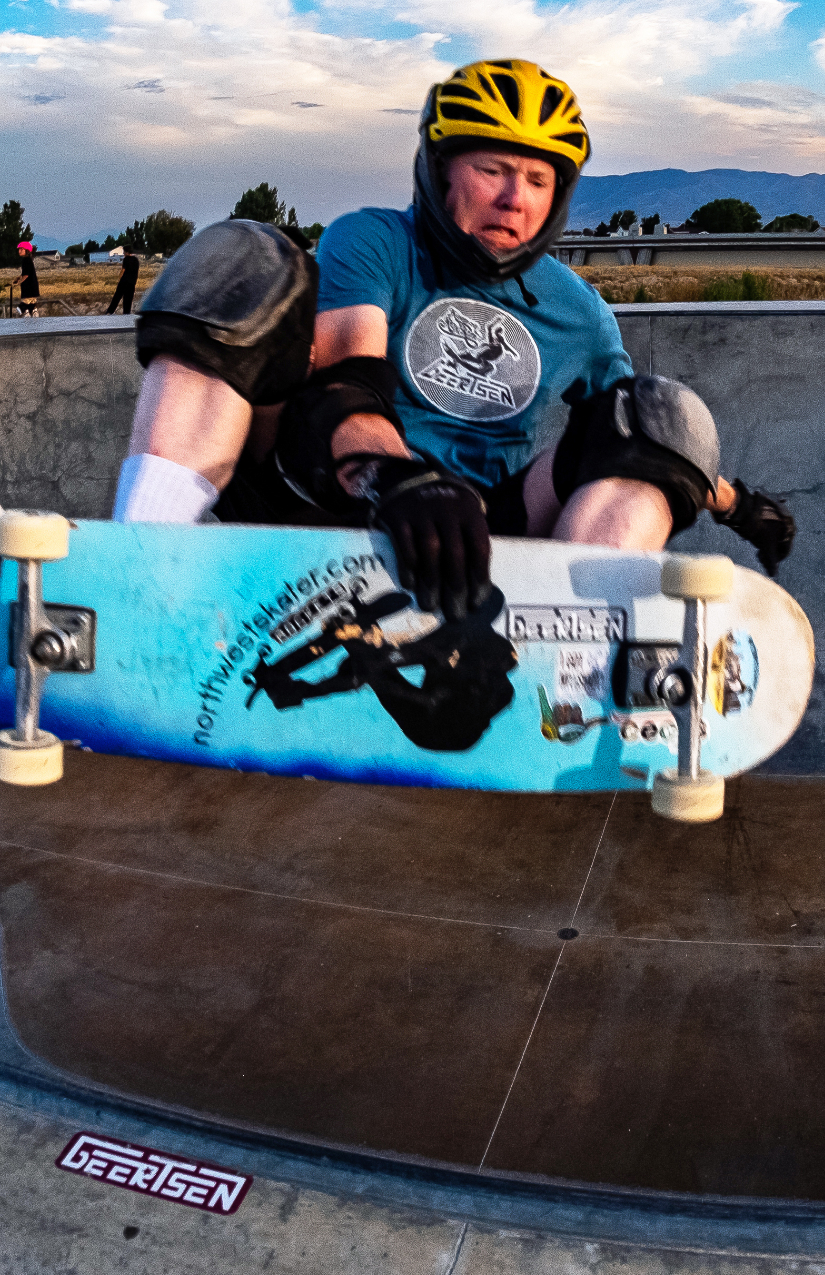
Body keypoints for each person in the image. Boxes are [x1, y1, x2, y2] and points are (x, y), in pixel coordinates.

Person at [115, 59, 794, 622]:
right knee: (242, 260)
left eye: (537, 179)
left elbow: (643, 439)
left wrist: (739, 505)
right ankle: (137, 569)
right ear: (440, 172)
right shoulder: (377, 239)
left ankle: (572, 648)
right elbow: (346, 382)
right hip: (333, 494)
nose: (514, 198)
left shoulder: (577, 309)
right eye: (492, 169)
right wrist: (401, 478)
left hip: (484, 528)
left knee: (660, 411)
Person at [106, 244, 140, 315]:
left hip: (124, 281)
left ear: (126, 252)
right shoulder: (136, 260)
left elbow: (123, 270)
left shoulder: (126, 259)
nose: (123, 253)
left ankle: (110, 311)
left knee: (117, 297)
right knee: (128, 299)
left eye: (124, 251)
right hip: (132, 282)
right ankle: (126, 314)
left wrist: (120, 278)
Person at [12, 242, 39, 317]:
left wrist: (19, 282)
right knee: (32, 303)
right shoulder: (29, 260)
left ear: (26, 250)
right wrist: (19, 277)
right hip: (33, 286)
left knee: (25, 303)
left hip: (28, 287)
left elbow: (26, 275)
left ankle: (24, 310)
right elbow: (27, 272)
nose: (19, 251)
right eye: (19, 249)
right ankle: (33, 312)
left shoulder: (25, 260)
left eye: (21, 249)